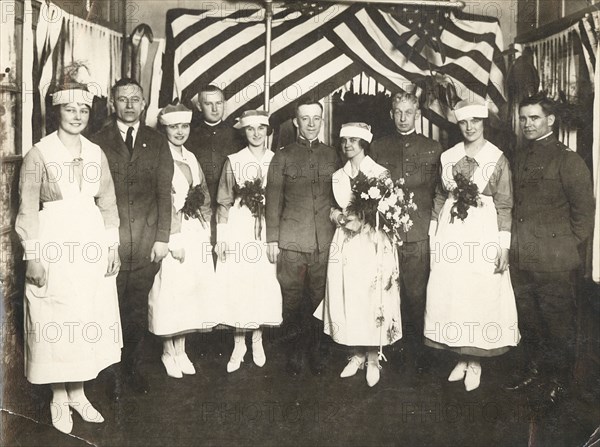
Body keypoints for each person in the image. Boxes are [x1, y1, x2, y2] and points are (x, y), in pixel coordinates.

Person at [16, 84, 122, 433]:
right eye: (70, 109)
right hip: (54, 243)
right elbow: (28, 207)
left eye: (83, 110)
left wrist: (111, 247)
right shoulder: (39, 153)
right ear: (56, 113)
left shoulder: (96, 152)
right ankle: (58, 398)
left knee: (85, 315)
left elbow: (107, 203)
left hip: (89, 244)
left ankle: (78, 393)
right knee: (55, 317)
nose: (77, 116)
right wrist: (33, 256)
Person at [423, 100, 519, 391]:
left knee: (480, 292)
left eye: (475, 121)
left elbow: (504, 204)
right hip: (451, 232)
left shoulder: (496, 158)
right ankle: (461, 356)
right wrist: (434, 236)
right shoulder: (448, 156)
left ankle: (476, 360)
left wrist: (504, 246)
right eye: (464, 122)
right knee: (453, 292)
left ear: (483, 122)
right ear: (458, 125)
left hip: (483, 232)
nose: (470, 127)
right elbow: (440, 197)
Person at [506, 93, 594, 403]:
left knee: (558, 325)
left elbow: (584, 215)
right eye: (524, 118)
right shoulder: (519, 156)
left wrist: (563, 248)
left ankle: (562, 382)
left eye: (535, 118)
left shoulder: (568, 159)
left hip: (554, 261)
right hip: (522, 257)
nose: (528, 124)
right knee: (529, 320)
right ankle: (536, 372)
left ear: (550, 120)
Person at [91, 78, 173, 397]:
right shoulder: (96, 141)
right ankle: (107, 373)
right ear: (113, 104)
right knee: (107, 308)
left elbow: (164, 194)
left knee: (136, 309)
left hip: (145, 241)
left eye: (135, 99)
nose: (129, 104)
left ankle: (132, 369)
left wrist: (162, 238)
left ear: (144, 104)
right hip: (110, 243)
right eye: (122, 99)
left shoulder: (157, 141)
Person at [314, 123, 402, 387]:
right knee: (349, 295)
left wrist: (367, 219)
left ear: (364, 143)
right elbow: (333, 208)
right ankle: (356, 354)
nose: (347, 145)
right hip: (346, 242)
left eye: (353, 140)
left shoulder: (379, 172)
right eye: (344, 141)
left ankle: (374, 357)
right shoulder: (338, 176)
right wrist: (338, 216)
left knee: (372, 296)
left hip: (372, 240)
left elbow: (389, 209)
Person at [370, 91, 443, 372]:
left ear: (417, 115)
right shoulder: (378, 147)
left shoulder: (433, 148)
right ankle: (390, 349)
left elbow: (439, 192)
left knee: (415, 295)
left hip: (418, 233)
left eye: (408, 113)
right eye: (398, 112)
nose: (402, 118)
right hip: (385, 233)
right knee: (385, 291)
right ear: (391, 114)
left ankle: (417, 354)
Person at [265, 98, 338, 376]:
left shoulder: (332, 155)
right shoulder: (282, 156)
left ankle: (317, 352)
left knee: (320, 299)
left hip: (324, 240)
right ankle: (295, 353)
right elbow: (273, 200)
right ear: (296, 121)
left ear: (322, 120)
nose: (310, 124)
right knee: (292, 300)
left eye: (315, 118)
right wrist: (273, 239)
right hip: (292, 241)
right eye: (304, 118)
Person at [148, 103, 217, 378]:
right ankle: (168, 350)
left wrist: (206, 229)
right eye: (174, 127)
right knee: (171, 290)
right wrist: (172, 237)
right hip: (171, 232)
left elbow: (203, 195)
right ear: (165, 128)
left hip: (194, 230)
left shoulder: (191, 156)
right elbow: (161, 200)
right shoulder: (159, 156)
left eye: (184, 126)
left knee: (191, 290)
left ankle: (181, 349)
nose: (180, 132)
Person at [215, 110, 283, 373]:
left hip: (267, 229)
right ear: (244, 132)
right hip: (240, 227)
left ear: (268, 131)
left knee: (262, 284)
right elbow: (224, 201)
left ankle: (257, 339)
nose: (256, 134)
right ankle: (238, 342)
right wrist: (222, 238)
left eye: (261, 128)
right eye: (251, 129)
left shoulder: (276, 160)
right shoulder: (234, 160)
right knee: (239, 284)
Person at [186, 85, 245, 258]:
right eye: (208, 103)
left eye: (218, 103)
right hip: (197, 209)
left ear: (224, 104)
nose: (214, 108)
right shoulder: (188, 135)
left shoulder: (238, 136)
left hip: (229, 209)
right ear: (199, 106)